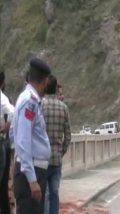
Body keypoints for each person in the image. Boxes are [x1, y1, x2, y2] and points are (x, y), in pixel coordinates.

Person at [12, 58, 51, 214]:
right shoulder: (29, 101)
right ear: (44, 80)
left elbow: (14, 133)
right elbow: (23, 141)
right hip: (31, 172)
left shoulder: (29, 99)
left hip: (33, 170)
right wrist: (32, 180)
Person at [42, 75, 71, 214]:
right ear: (55, 89)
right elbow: (68, 136)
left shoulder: (39, 105)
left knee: (45, 195)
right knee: (54, 193)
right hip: (57, 159)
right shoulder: (64, 108)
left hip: (42, 158)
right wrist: (61, 151)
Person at [0, 69, 15, 214]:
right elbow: (13, 112)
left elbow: (12, 112)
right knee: (3, 185)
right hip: (3, 143)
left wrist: (6, 126)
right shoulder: (3, 97)